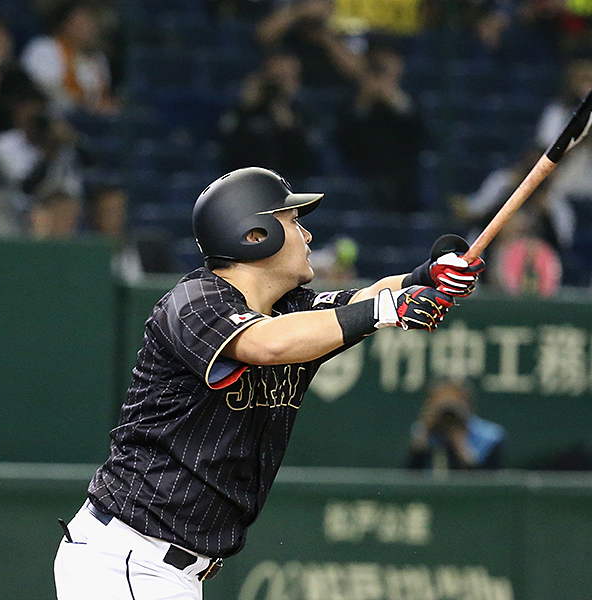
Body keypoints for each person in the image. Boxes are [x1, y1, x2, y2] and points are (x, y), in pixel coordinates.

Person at [53, 167, 485, 599]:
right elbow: (265, 344)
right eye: (294, 221)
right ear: (254, 234)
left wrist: (427, 277)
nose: (309, 236)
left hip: (166, 568)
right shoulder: (193, 299)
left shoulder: (289, 310)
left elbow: (363, 299)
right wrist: (387, 310)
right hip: (127, 554)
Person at [336, 43, 425, 213]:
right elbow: (346, 139)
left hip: (402, 178)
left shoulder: (410, 98)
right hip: (361, 172)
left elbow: (418, 135)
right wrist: (365, 100)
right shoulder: (352, 100)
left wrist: (392, 96)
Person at [218, 51, 316, 178]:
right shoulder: (242, 112)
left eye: (284, 77)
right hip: (247, 184)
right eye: (275, 78)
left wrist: (289, 129)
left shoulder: (305, 113)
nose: (278, 85)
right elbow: (226, 154)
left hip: (292, 186)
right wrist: (245, 109)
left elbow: (309, 162)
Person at [535, 58, 592, 203]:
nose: (586, 88)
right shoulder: (557, 112)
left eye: (591, 82)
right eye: (582, 82)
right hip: (559, 173)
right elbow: (545, 147)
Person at [21, 0, 118, 116]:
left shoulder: (98, 58)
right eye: (83, 21)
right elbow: (45, 91)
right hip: (55, 120)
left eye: (92, 21)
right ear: (65, 24)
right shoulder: (44, 48)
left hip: (94, 124)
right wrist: (85, 104)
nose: (91, 27)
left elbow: (103, 98)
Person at [406, 379, 506, 471]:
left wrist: (458, 439)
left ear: (467, 404)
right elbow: (408, 477)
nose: (447, 413)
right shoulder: (422, 431)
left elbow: (485, 481)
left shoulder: (489, 436)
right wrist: (424, 437)